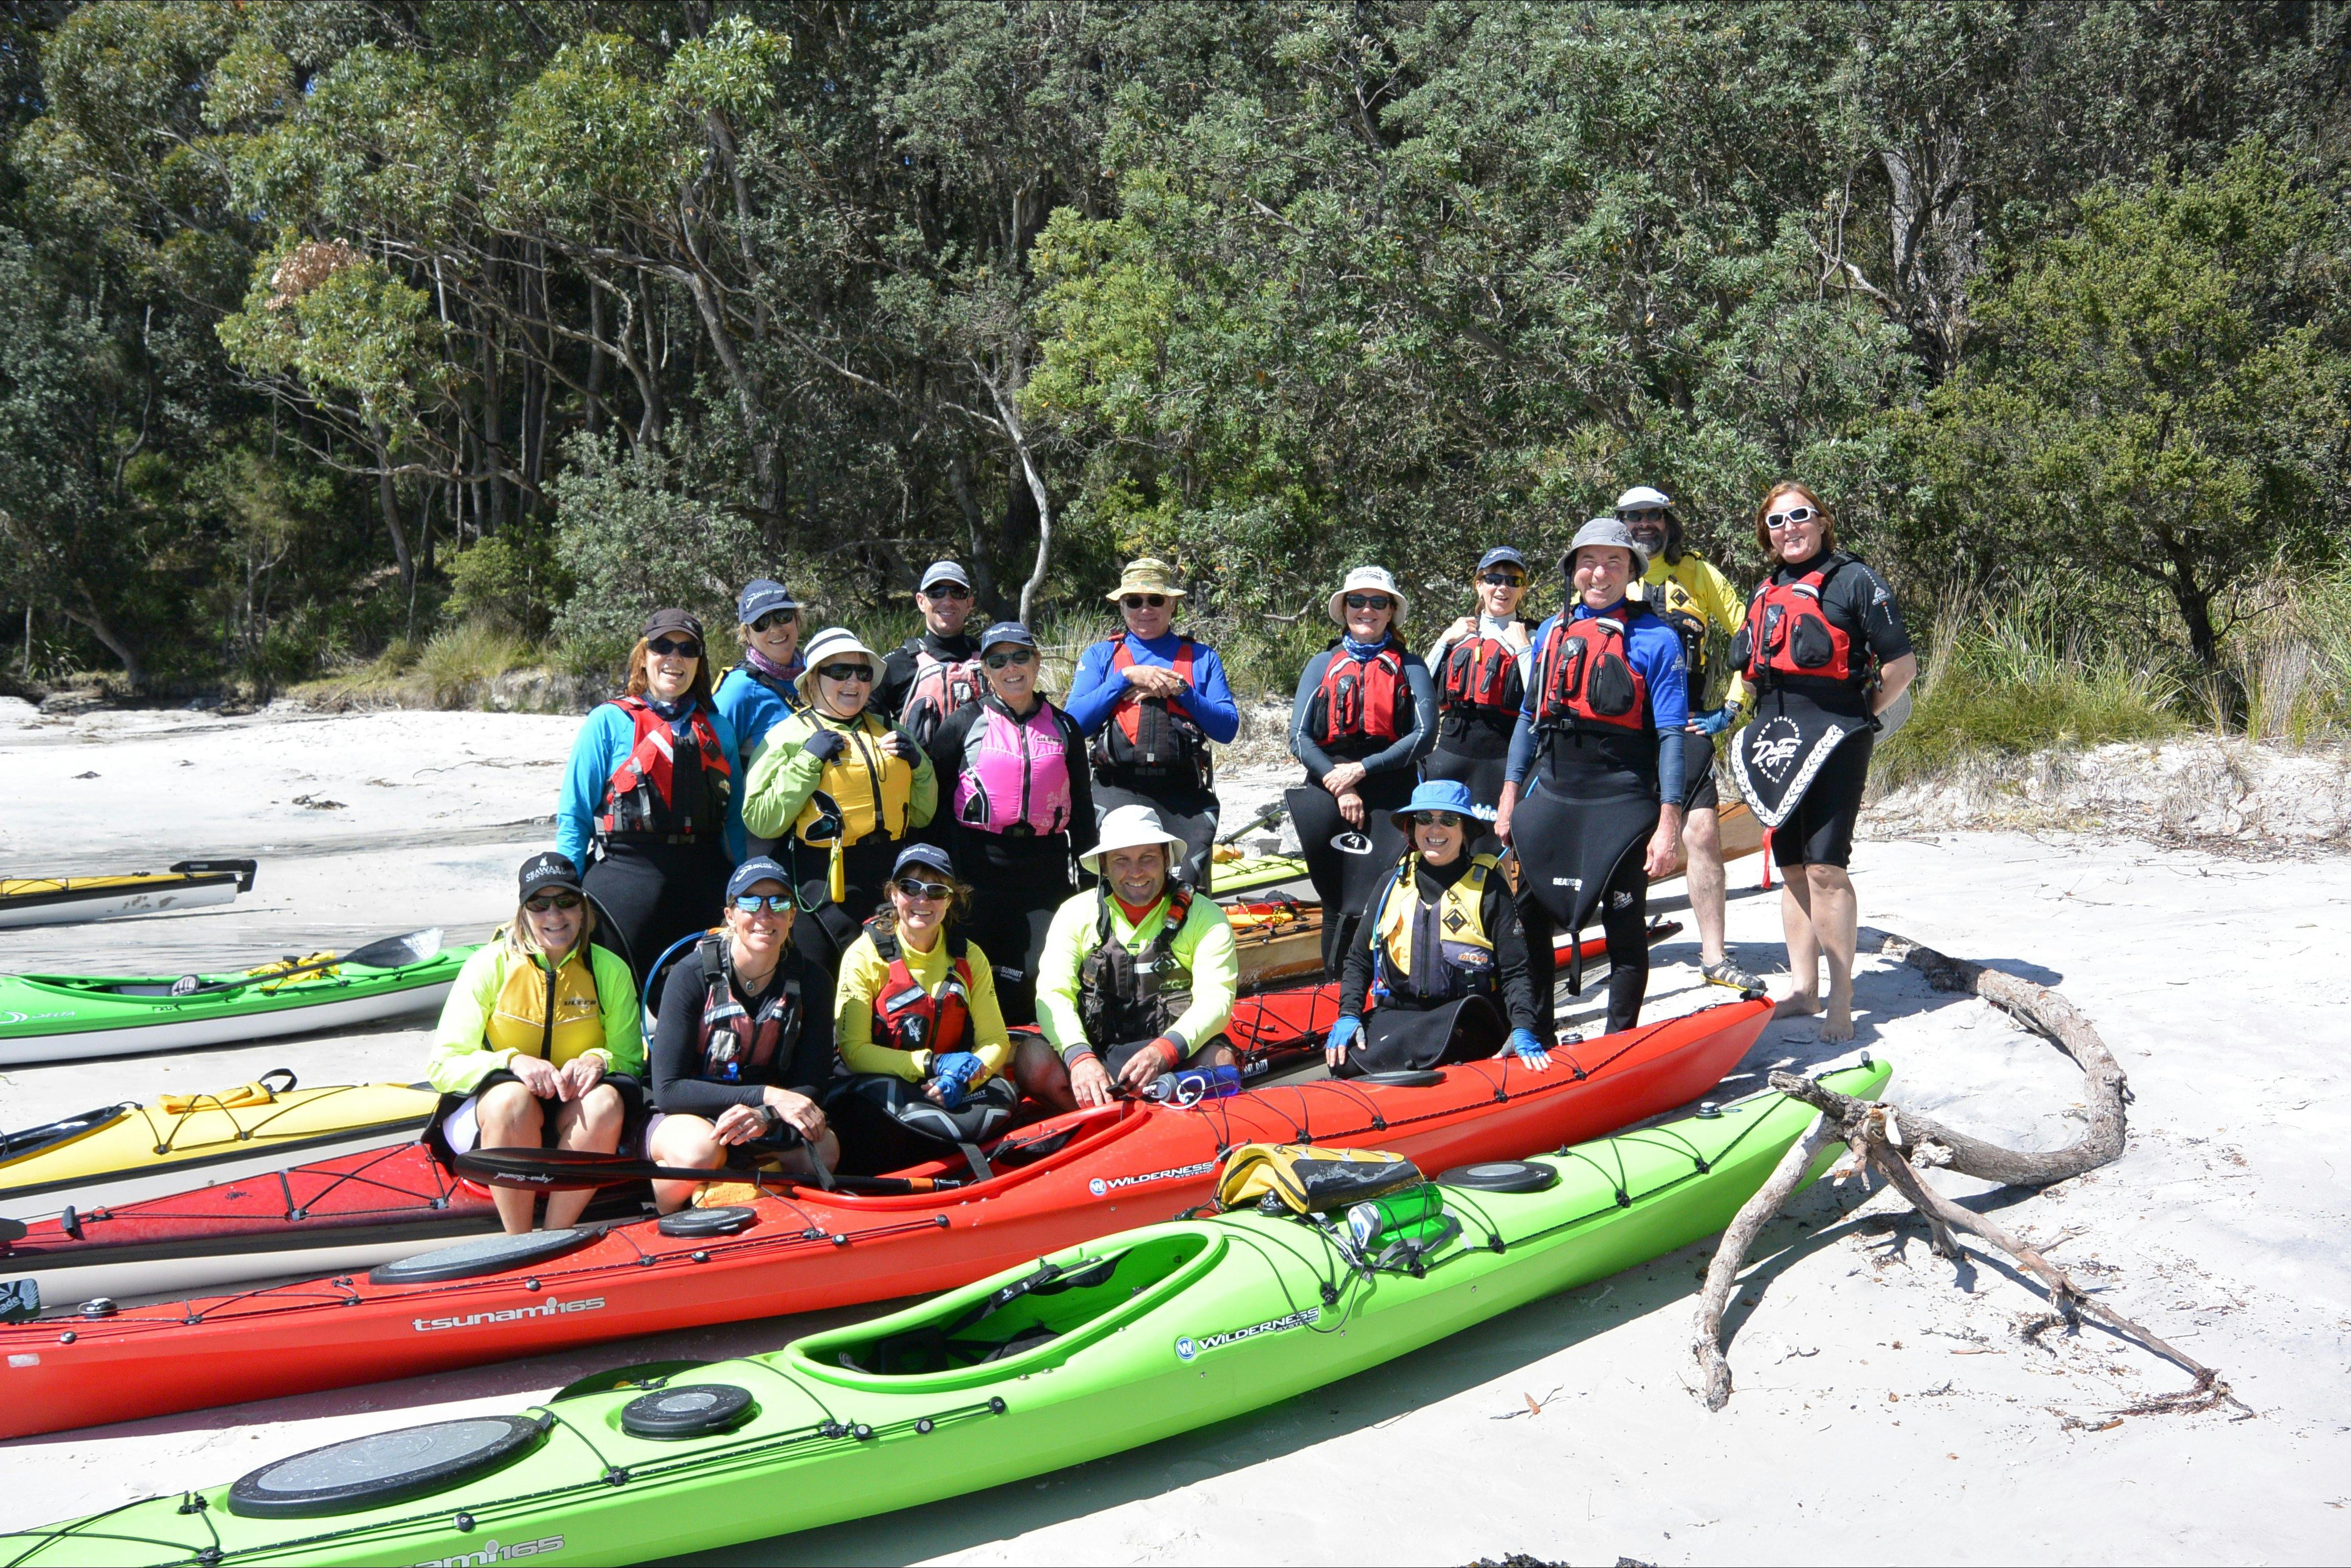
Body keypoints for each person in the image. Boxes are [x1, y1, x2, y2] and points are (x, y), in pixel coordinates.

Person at [1728, 482, 1917, 1042]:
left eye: (1801, 516)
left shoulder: (1856, 580)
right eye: (1778, 521)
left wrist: (1861, 717)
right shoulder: (1765, 589)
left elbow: (1901, 665)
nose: (1790, 528)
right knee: (1791, 867)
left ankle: (1841, 993)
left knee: (1826, 867)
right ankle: (1804, 988)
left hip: (1838, 734)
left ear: (1822, 520)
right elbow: (1750, 667)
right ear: (1767, 532)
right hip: (1779, 738)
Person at [1496, 519, 1689, 1039]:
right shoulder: (1551, 632)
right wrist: (1511, 794)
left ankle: (1617, 1040)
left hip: (1622, 797)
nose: (1599, 572)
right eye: (1588, 561)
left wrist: (1668, 824)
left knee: (1625, 922)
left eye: (1614, 562)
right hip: (1555, 790)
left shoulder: (1657, 638)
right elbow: (1526, 720)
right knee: (1529, 917)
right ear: (1572, 570)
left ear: (1631, 571)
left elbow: (1673, 736)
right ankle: (1535, 1031)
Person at [426, 853, 644, 1234]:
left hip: (569, 1117)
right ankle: (518, 1239)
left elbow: (630, 1060)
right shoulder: (487, 965)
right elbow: (443, 1065)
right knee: (514, 1100)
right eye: (539, 904)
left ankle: (557, 1236)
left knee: (607, 1102)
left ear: (583, 907)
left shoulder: (610, 969)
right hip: (493, 1119)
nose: (554, 916)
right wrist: (513, 1063)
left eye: (566, 902)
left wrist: (598, 1059)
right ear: (523, 912)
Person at [1618, 485, 1763, 991]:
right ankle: (1626, 947)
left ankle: (1714, 956)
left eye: (1652, 516)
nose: (1644, 525)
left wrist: (1729, 709)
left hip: (1688, 723)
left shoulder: (1698, 572)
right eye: (1633, 517)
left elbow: (1753, 635)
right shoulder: (1610, 572)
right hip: (1625, 733)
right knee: (1629, 840)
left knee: (1701, 834)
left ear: (1666, 521)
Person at [555, 609, 743, 990]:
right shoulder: (607, 723)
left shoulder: (718, 728)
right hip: (626, 882)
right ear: (644, 655)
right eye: (663, 646)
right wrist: (562, 894)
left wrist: (748, 888)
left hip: (703, 882)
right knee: (616, 1000)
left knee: (704, 1008)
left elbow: (735, 822)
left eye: (687, 649)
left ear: (699, 662)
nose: (674, 658)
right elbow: (574, 817)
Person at [643, 857, 839, 1213]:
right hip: (690, 1114)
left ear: (792, 916)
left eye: (778, 903)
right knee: (700, 1152)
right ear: (731, 915)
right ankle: (665, 1217)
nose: (765, 914)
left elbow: (813, 1082)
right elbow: (669, 1090)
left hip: (762, 1118)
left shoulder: (813, 982)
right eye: (750, 902)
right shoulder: (690, 976)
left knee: (824, 1149)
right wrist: (765, 1096)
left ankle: (743, 1200)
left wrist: (766, 1113)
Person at [926, 621, 1097, 1025]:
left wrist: (1092, 879)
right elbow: (935, 807)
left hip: (1045, 867)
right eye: (998, 660)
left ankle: (1035, 1046)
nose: (1011, 668)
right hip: (979, 867)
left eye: (1021, 657)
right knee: (977, 969)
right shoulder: (963, 724)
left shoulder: (1064, 726)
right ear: (985, 670)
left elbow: (1084, 805)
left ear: (1037, 662)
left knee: (1039, 971)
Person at [740, 627, 938, 975]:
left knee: (890, 994)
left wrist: (920, 766)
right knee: (820, 991)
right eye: (839, 672)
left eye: (863, 673)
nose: (854, 682)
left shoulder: (892, 732)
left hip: (888, 882)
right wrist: (806, 762)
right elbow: (760, 819)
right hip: (821, 888)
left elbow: (922, 815)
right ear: (813, 680)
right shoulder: (788, 737)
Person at [1323, 779, 1548, 1077]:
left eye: (1449, 820)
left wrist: (1523, 1027)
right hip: (1401, 1013)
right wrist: (1349, 1014)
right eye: (1425, 819)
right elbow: (1359, 960)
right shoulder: (1390, 884)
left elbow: (1516, 971)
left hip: (1466, 1016)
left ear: (1465, 829)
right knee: (1343, 1063)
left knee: (1444, 1049)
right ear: (1413, 828)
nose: (1435, 829)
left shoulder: (1491, 889)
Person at [1029, 804, 1242, 1110]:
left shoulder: (1207, 917)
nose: (1136, 872)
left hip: (1173, 1057)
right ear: (1103, 865)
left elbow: (1217, 1000)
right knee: (1032, 1061)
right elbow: (1054, 992)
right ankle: (1096, 1120)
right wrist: (1080, 1057)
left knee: (1221, 1062)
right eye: (1121, 861)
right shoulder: (1074, 914)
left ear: (1167, 859)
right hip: (1099, 1053)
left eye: (1148, 858)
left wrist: (1164, 1052)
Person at [1288, 565, 1438, 976]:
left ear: (1391, 611)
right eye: (1357, 601)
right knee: (1336, 898)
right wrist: (1341, 785)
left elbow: (1425, 735)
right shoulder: (1323, 663)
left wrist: (1362, 770)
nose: (1366, 610)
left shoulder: (1411, 665)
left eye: (1377, 602)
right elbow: (1299, 738)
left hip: (1391, 787)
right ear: (1345, 608)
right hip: (1329, 784)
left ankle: (1388, 983)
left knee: (1390, 892)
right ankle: (1337, 987)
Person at [829, 845, 1020, 1158]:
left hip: (946, 1085)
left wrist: (965, 1079)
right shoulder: (863, 956)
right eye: (910, 888)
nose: (922, 900)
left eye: (936, 891)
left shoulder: (970, 956)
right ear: (893, 895)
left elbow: (995, 1040)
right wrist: (931, 1063)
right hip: (879, 1088)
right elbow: (853, 1052)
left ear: (950, 899)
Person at [1063, 558, 1239, 889]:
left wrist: (1181, 690)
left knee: (1188, 897)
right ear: (1122, 607)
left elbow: (1227, 729)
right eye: (1134, 601)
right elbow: (1074, 726)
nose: (1145, 609)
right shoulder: (1102, 657)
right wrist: (1124, 679)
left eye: (1155, 600)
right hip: (1118, 788)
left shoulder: (1202, 658)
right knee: (1120, 890)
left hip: (1183, 796)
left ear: (1172, 604)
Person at [1423, 546, 1536, 822]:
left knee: (1494, 848)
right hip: (1450, 755)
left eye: (1513, 581)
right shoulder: (1459, 634)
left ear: (1522, 590)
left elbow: (1539, 697)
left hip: (1502, 760)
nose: (1502, 588)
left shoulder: (1532, 636)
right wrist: (1443, 641)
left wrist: (1523, 649)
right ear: (1479, 585)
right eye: (1494, 579)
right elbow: (1420, 692)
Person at [877, 559, 986, 747]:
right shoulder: (896, 665)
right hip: (921, 775)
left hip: (985, 775)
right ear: (921, 601)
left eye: (957, 593)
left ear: (969, 604)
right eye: (936, 592)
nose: (947, 600)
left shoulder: (991, 660)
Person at [711, 577, 807, 773]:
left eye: (782, 616)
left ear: (797, 619)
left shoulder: (816, 671)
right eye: (761, 623)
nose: (774, 628)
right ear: (747, 634)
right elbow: (713, 763)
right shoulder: (739, 689)